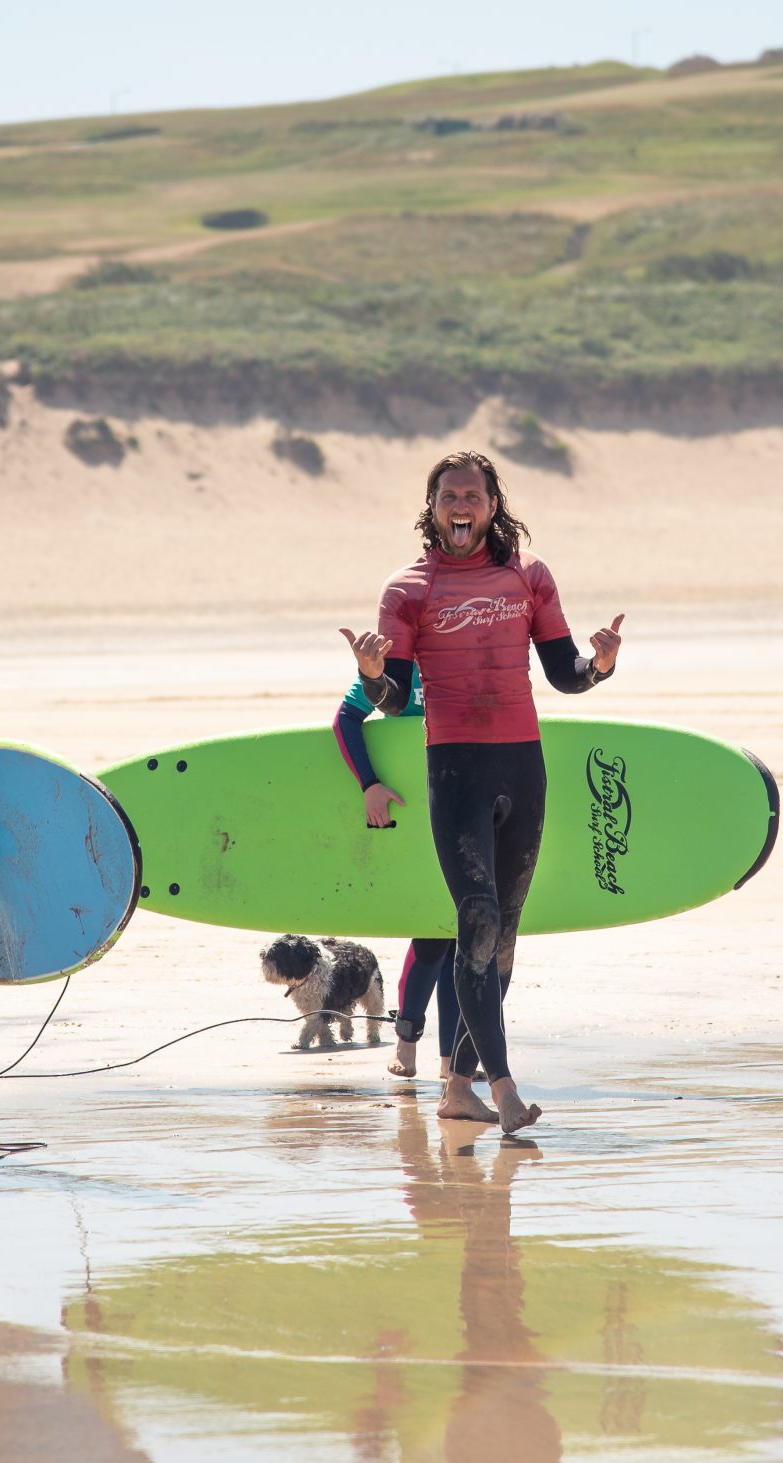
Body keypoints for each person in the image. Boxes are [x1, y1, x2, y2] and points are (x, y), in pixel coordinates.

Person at [341, 452, 622, 1133]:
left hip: (522, 767)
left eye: (472, 493)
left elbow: (563, 672)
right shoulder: (408, 588)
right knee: (476, 918)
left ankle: (457, 1087)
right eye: (448, 495)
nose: (460, 504)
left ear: (493, 504)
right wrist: (375, 674)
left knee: (503, 941)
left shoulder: (529, 575)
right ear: (432, 507)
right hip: (456, 769)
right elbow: (390, 698)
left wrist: (600, 666)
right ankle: (503, 1090)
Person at [329, 665, 467, 1082]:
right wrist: (369, 783)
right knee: (434, 930)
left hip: (467, 805)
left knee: (462, 937)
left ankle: (451, 1061)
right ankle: (407, 1046)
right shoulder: (397, 667)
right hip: (415, 816)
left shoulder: (467, 654)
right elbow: (345, 719)